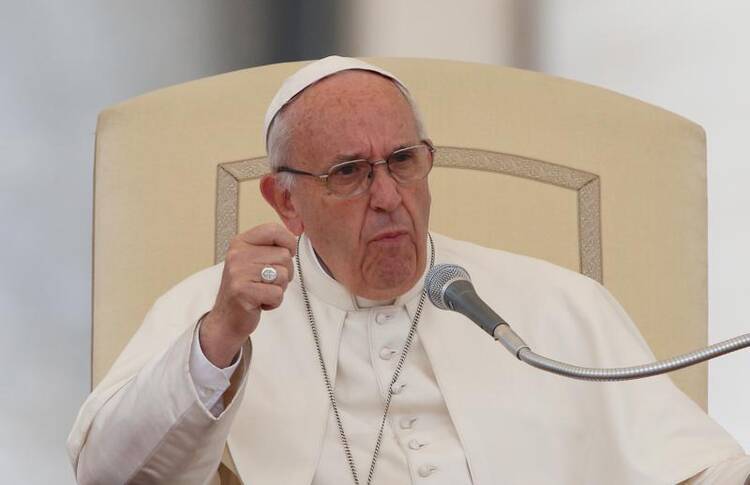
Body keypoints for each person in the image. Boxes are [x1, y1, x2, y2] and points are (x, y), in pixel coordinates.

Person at [68, 56, 750, 484]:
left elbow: (696, 466)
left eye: (402, 161)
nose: (389, 196)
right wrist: (219, 339)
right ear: (286, 201)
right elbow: (111, 473)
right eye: (348, 173)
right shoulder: (219, 312)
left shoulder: (555, 305)